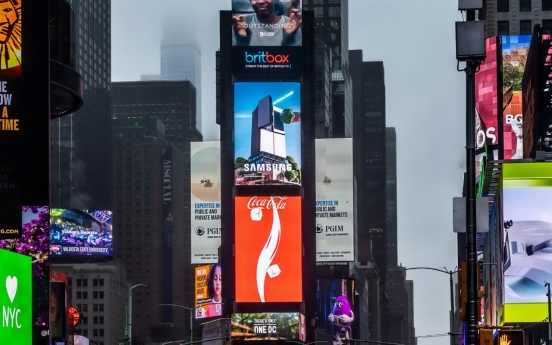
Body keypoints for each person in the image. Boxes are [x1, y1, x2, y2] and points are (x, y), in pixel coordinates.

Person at [232, 0, 302, 46]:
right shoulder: (242, 23)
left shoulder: (290, 24)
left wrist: (289, 37)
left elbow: (295, 61)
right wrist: (241, 39)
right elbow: (236, 62)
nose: (261, 1)